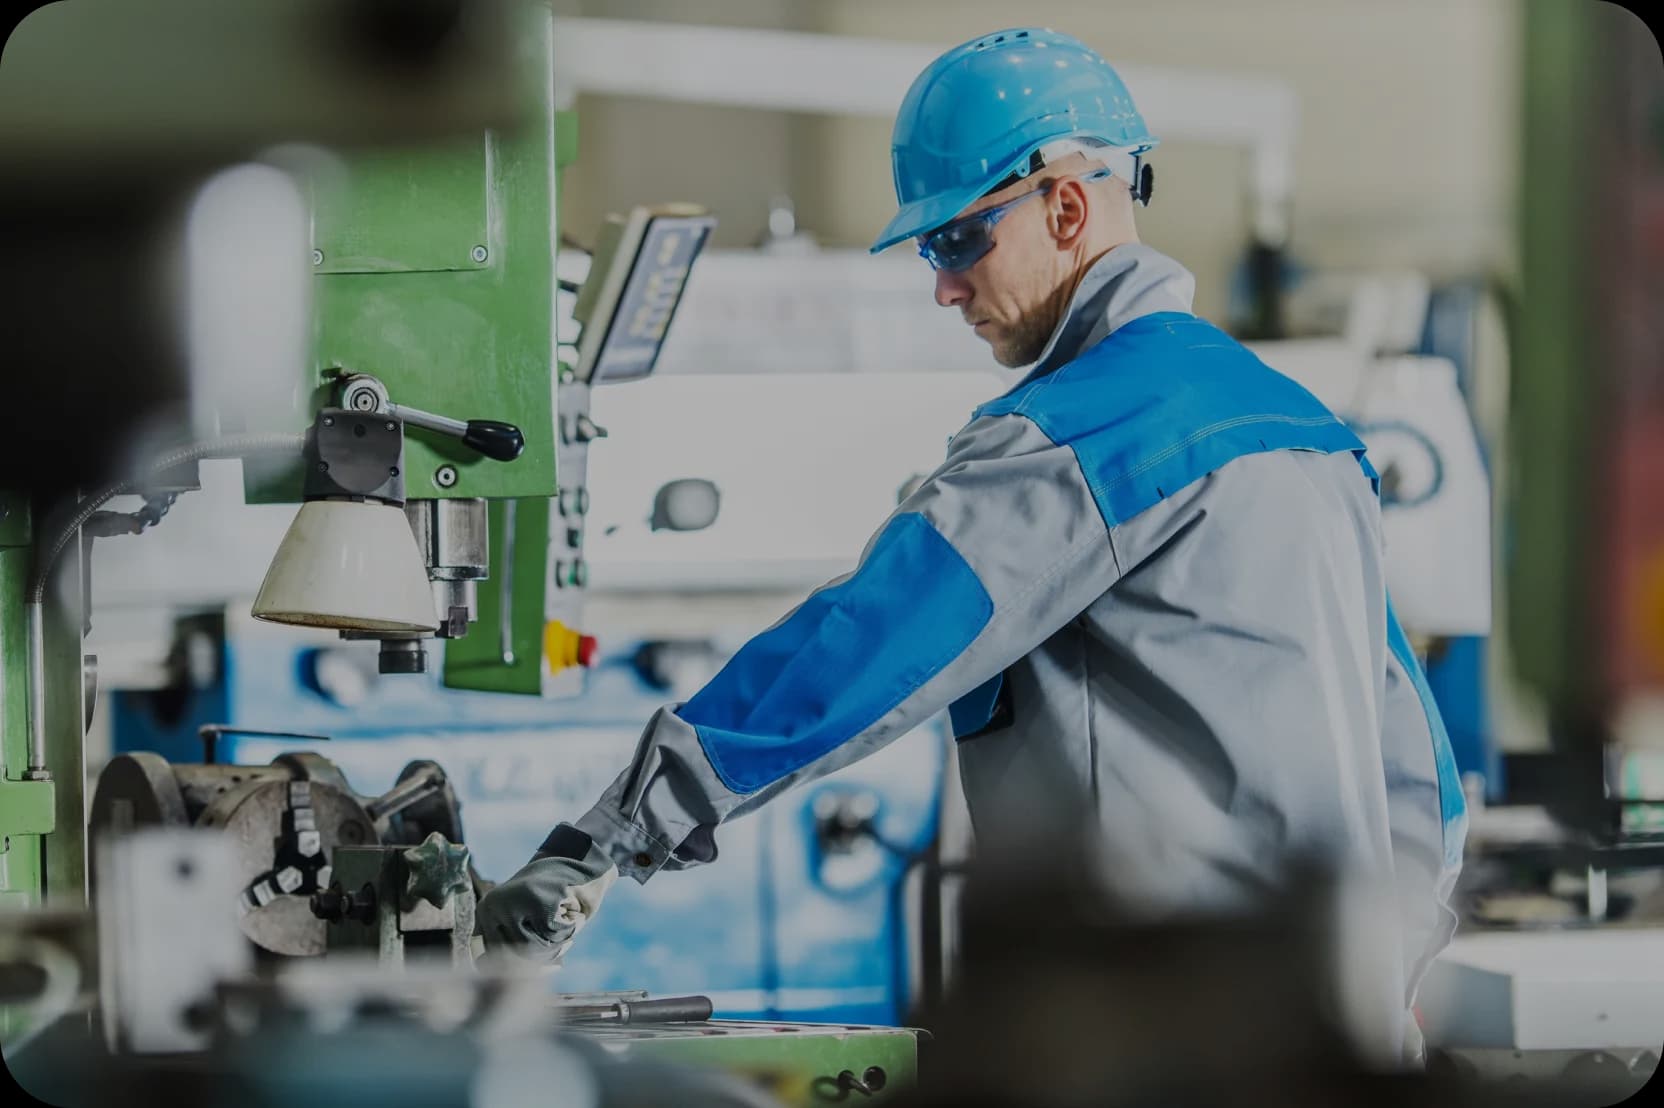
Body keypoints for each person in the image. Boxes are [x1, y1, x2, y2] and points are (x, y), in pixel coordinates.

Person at [477, 27, 1466, 1063]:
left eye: (956, 242)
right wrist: (1371, 987)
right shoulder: (1306, 428)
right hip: (1320, 1050)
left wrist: (605, 838)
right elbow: (1418, 771)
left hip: (1163, 1047)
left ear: (1067, 208)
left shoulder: (1078, 432)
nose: (943, 288)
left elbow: (862, 646)